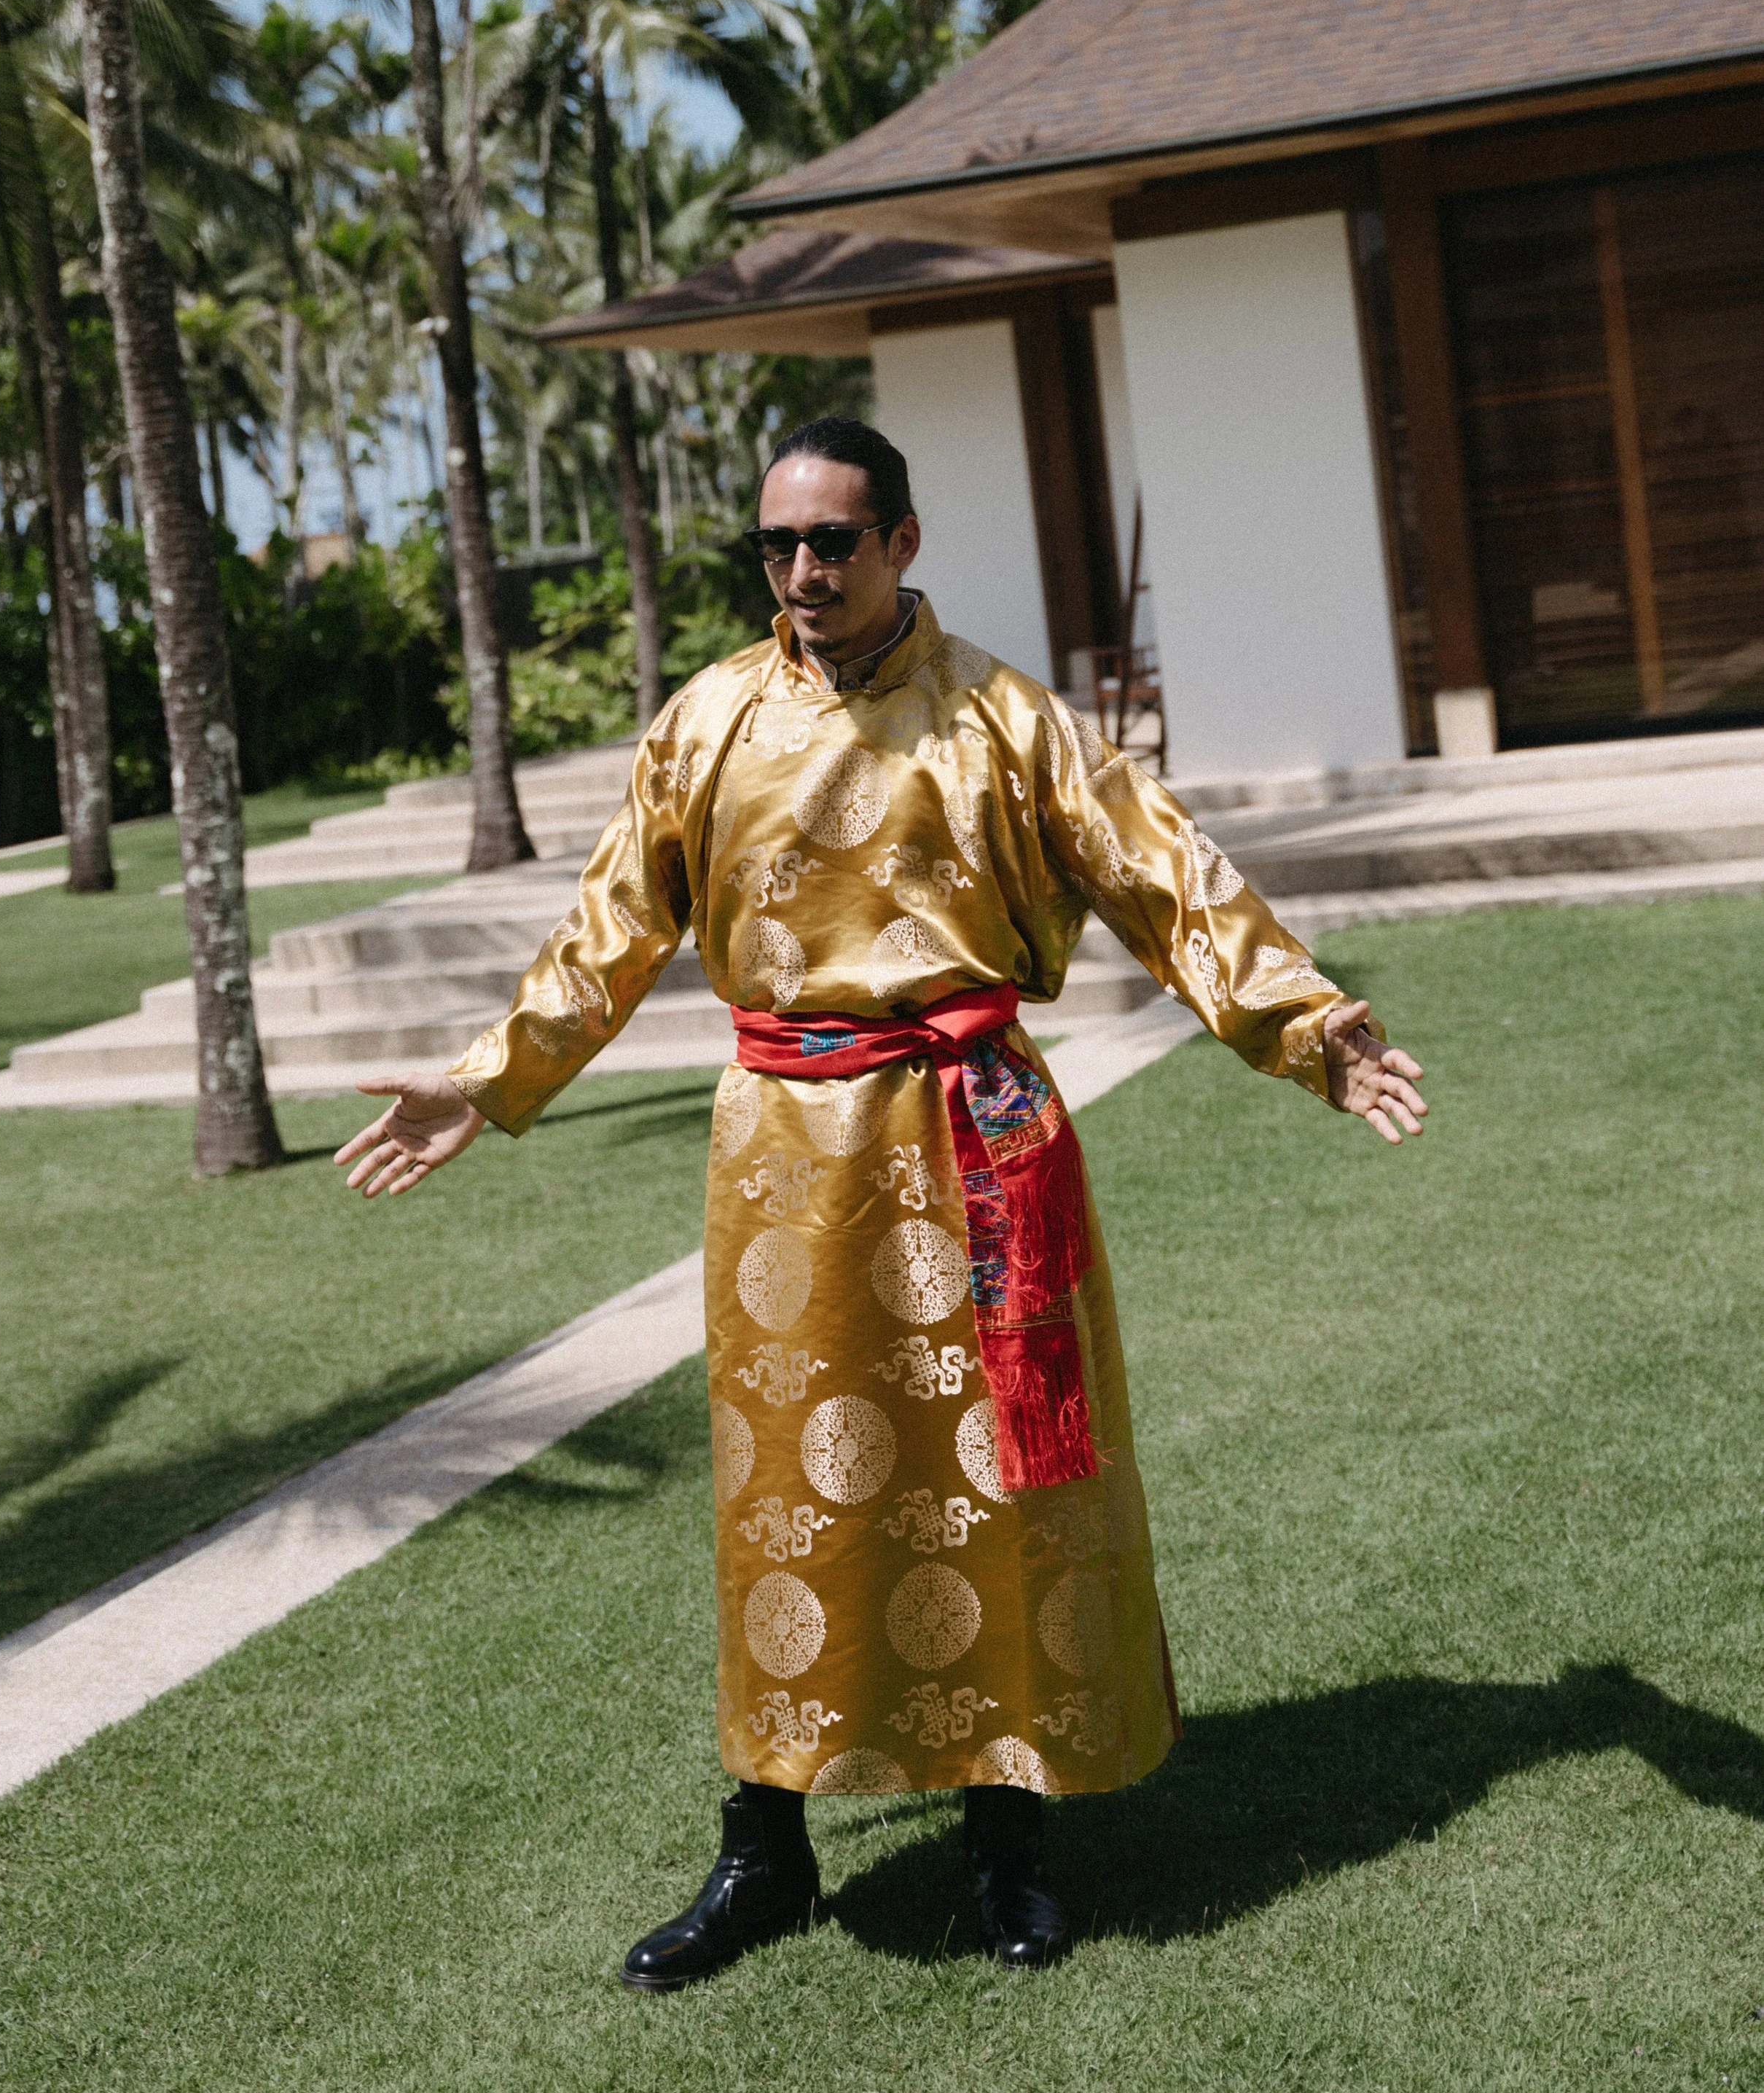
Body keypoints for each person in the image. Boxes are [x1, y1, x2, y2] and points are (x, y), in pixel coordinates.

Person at [337, 415, 1427, 1987]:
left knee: (999, 1484)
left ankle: (1007, 1844)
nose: (799, 572)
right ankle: (763, 1847)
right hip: (781, 1168)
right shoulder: (705, 720)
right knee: (790, 1499)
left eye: (830, 543)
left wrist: (1313, 1026)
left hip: (972, 1136)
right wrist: (487, 1077)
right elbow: (606, 932)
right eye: (775, 546)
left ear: (900, 544)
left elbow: (1164, 877)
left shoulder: (1003, 717)